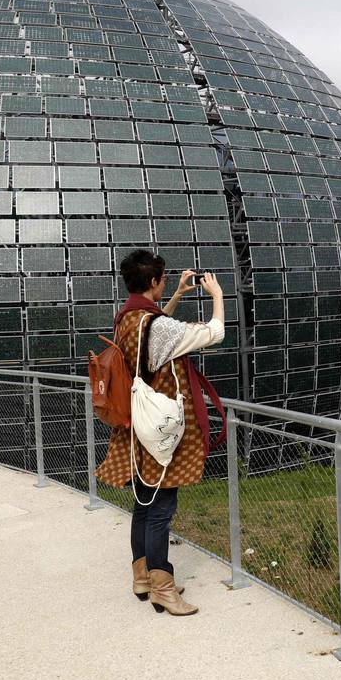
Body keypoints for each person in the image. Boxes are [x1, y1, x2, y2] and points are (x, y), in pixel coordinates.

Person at [96, 250, 224, 616]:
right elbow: (214, 333)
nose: (167, 282)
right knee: (160, 509)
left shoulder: (128, 318)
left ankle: (143, 577)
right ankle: (164, 589)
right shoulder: (153, 325)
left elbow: (155, 330)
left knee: (143, 504)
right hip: (159, 431)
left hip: (136, 424)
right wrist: (215, 295)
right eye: (165, 279)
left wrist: (179, 294)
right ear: (154, 282)